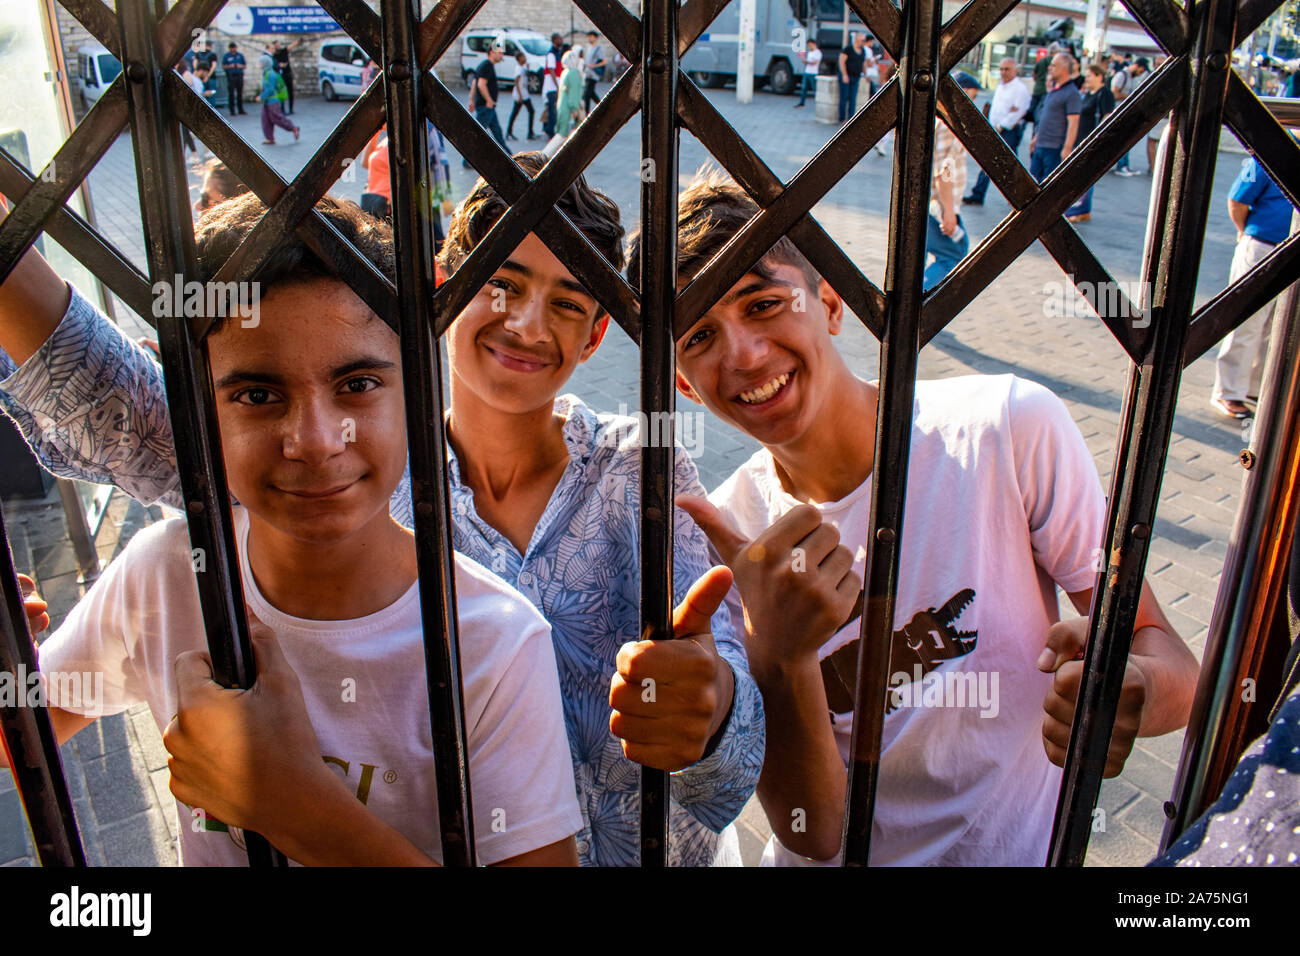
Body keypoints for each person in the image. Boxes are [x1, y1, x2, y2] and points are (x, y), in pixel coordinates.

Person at [0, 155, 763, 868]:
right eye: (503, 283)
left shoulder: (639, 472)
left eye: (567, 304)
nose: (529, 325)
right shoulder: (354, 476)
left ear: (598, 334)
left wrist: (716, 709)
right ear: (444, 287)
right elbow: (131, 407)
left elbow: (730, 741)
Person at [638, 168, 1199, 866]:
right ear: (686, 387)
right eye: (699, 337)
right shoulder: (729, 539)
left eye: (763, 304)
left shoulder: (1007, 430)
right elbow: (813, 831)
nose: (744, 356)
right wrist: (779, 654)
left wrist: (1131, 692)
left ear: (832, 303)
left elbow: (1170, 659)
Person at [1211, 155, 1292, 419]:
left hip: (1291, 250)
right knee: (1246, 321)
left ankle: (1255, 386)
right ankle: (1229, 391)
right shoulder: (1273, 148)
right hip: (1263, 245)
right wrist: (1244, 232)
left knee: (1277, 326)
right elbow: (1238, 200)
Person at [923, 72, 980, 291]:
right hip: (938, 203)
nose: (971, 104)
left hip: (930, 202)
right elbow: (943, 171)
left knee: (920, 256)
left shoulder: (935, 119)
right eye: (969, 97)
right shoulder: (947, 125)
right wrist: (949, 211)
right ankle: (920, 304)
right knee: (953, 254)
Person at [963, 58, 1030, 206]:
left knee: (1009, 165)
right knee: (990, 162)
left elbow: (1019, 111)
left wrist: (1002, 126)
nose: (1003, 72)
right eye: (1001, 69)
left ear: (1015, 71)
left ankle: (1018, 196)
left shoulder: (1019, 89)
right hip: (996, 129)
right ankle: (979, 194)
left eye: (1007, 69)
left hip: (1008, 131)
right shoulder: (1001, 86)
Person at [1064, 63, 1116, 223]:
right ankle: (1083, 209)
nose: (1086, 79)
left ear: (1099, 76)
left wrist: (1097, 137)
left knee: (1085, 175)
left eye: (1089, 76)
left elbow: (1108, 116)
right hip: (1080, 139)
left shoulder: (1104, 93)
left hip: (1090, 139)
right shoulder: (1088, 93)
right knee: (1080, 174)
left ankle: (1081, 209)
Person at [1028, 52, 1081, 182]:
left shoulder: (1072, 93)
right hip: (1041, 145)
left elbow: (1073, 122)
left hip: (1054, 148)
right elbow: (1045, 116)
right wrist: (1036, 137)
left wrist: (1067, 148)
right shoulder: (1054, 90)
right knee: (1032, 183)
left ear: (1063, 68)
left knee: (1047, 185)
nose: (1049, 68)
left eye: (1053, 65)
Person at [464, 42, 508, 167]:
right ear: (491, 53)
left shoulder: (484, 65)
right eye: (499, 53)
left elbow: (474, 83)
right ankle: (467, 161)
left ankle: (510, 158)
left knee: (497, 133)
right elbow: (480, 84)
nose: (502, 55)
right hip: (486, 107)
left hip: (487, 107)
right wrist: (489, 100)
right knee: (479, 134)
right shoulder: (487, 66)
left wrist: (471, 101)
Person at [1114, 58, 1150, 176]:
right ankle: (1121, 166)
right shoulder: (1121, 75)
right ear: (1136, 65)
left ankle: (1124, 165)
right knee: (1122, 140)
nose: (1140, 73)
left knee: (1126, 140)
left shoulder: (1131, 77)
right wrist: (1131, 97)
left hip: (1126, 113)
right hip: (1118, 113)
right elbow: (1115, 93)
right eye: (1140, 70)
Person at [259, 53, 299, 146]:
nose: (259, 64)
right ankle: (270, 138)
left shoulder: (271, 74)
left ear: (265, 63)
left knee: (278, 119)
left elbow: (270, 89)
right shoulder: (266, 73)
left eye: (260, 62)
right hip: (267, 101)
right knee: (266, 120)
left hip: (273, 101)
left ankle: (293, 128)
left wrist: (261, 96)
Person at [359, 126, 392, 220]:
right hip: (371, 199)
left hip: (385, 204)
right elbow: (365, 163)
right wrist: (374, 133)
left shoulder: (397, 143)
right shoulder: (387, 140)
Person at [837, 32, 867, 124]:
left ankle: (850, 119)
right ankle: (842, 118)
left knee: (853, 98)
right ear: (857, 40)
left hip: (856, 76)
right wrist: (844, 74)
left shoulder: (863, 50)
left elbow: (863, 63)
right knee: (844, 97)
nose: (864, 42)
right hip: (847, 76)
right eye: (862, 40)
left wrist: (865, 74)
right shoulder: (848, 49)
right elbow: (841, 61)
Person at [506, 51, 537, 141]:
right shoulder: (518, 69)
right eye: (523, 57)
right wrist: (519, 95)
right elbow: (516, 82)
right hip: (520, 95)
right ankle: (509, 132)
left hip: (524, 94)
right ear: (519, 58)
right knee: (516, 113)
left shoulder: (522, 68)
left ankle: (529, 132)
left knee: (530, 111)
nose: (525, 58)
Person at [555, 49, 584, 139]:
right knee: (567, 136)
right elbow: (573, 92)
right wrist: (574, 109)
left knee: (561, 132)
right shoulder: (573, 73)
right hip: (568, 107)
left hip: (562, 106)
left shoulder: (564, 72)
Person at [1028, 43, 1058, 130]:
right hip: (1046, 92)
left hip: (1037, 89)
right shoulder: (1055, 62)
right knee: (1041, 115)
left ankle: (1033, 131)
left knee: (1032, 113)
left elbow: (1034, 74)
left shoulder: (1042, 60)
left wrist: (1038, 81)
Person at [272, 37, 305, 115]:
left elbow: (291, 45)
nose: (278, 46)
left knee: (290, 92)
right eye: (276, 45)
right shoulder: (274, 55)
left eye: (278, 45)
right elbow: (273, 64)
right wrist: (279, 65)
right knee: (282, 92)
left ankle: (291, 109)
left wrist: (298, 41)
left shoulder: (284, 51)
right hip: (280, 75)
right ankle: (282, 109)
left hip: (288, 73)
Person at [542, 32, 563, 137]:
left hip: (555, 86)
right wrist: (557, 86)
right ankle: (549, 130)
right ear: (555, 40)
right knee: (552, 110)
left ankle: (546, 128)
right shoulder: (551, 54)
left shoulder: (557, 53)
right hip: (551, 86)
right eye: (559, 39)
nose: (561, 40)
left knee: (551, 108)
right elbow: (551, 70)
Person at [582, 31, 606, 116]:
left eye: (591, 37)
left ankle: (587, 113)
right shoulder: (588, 48)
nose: (590, 38)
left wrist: (594, 66)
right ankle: (602, 107)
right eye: (589, 37)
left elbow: (604, 61)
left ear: (596, 38)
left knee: (588, 93)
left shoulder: (599, 49)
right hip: (588, 73)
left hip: (594, 74)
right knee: (590, 93)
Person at [795, 38, 821, 109]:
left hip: (813, 73)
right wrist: (805, 61)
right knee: (803, 88)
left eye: (810, 45)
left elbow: (815, 62)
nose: (809, 47)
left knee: (814, 88)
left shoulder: (818, 52)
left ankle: (818, 103)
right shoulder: (810, 53)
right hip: (807, 72)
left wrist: (806, 61)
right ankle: (801, 103)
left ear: (813, 44)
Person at [222, 42, 246, 116]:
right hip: (231, 75)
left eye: (234, 48)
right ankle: (232, 110)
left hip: (239, 75)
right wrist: (230, 66)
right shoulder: (226, 56)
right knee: (231, 94)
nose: (233, 49)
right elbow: (223, 66)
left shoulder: (240, 55)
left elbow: (244, 65)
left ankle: (240, 109)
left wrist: (239, 66)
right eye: (231, 48)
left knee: (239, 93)